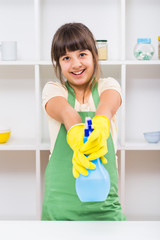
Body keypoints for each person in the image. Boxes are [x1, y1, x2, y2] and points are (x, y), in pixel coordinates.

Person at [41, 22, 126, 221]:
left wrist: (101, 123)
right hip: (61, 202)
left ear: (94, 55)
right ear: (58, 63)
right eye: (66, 58)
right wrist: (78, 133)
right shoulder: (53, 89)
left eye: (82, 54)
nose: (76, 64)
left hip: (104, 202)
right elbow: (66, 112)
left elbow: (107, 106)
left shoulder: (108, 85)